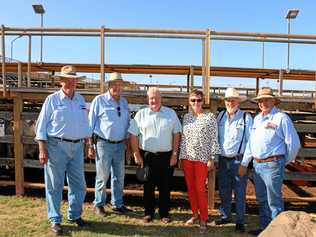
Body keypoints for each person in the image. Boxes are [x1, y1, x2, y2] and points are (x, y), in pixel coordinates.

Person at [35, 65, 91, 235]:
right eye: (66, 79)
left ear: (76, 81)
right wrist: (42, 149)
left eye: (73, 79)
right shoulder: (52, 100)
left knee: (79, 184)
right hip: (56, 146)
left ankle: (74, 215)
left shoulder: (81, 100)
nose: (70, 82)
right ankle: (55, 219)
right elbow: (41, 126)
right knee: (54, 185)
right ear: (60, 81)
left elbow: (85, 124)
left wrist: (88, 144)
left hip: (77, 146)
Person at [238, 87, 301, 236]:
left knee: (274, 201)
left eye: (266, 99)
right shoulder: (257, 119)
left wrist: (283, 161)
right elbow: (251, 144)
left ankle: (278, 232)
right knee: (262, 199)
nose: (263, 102)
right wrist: (245, 162)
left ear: (273, 101)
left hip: (272, 163)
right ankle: (266, 229)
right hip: (258, 164)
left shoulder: (281, 118)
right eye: (260, 100)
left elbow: (294, 143)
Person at [128, 87, 182, 223]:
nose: (154, 100)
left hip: (166, 155)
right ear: (148, 99)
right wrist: (136, 154)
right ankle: (148, 213)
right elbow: (133, 135)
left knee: (165, 186)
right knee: (148, 185)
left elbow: (177, 134)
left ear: (161, 99)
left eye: (156, 98)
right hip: (147, 156)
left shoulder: (171, 113)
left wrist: (175, 154)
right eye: (151, 98)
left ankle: (164, 213)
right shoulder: (141, 114)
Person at [87, 72, 131, 216]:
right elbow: (90, 124)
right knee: (102, 175)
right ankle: (99, 204)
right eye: (114, 84)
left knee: (119, 175)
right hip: (103, 143)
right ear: (109, 85)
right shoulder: (99, 100)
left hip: (120, 144)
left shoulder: (124, 102)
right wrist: (89, 145)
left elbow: (127, 125)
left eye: (120, 85)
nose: (117, 87)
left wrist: (127, 145)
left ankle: (117, 204)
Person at [179, 89, 221, 233]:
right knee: (191, 189)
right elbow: (183, 139)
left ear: (203, 101)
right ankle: (195, 214)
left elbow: (214, 139)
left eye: (198, 100)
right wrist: (181, 157)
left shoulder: (210, 118)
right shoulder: (186, 117)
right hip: (187, 158)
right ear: (189, 102)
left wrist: (212, 158)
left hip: (202, 159)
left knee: (200, 189)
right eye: (193, 100)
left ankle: (204, 218)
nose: (196, 103)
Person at [215, 88, 253, 233]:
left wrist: (245, 163)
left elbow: (250, 142)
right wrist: (216, 158)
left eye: (233, 100)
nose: (230, 102)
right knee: (224, 190)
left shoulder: (246, 118)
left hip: (239, 160)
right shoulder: (221, 116)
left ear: (238, 102)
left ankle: (240, 221)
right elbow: (217, 139)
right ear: (224, 102)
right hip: (223, 160)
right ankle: (225, 216)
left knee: (240, 192)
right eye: (227, 100)